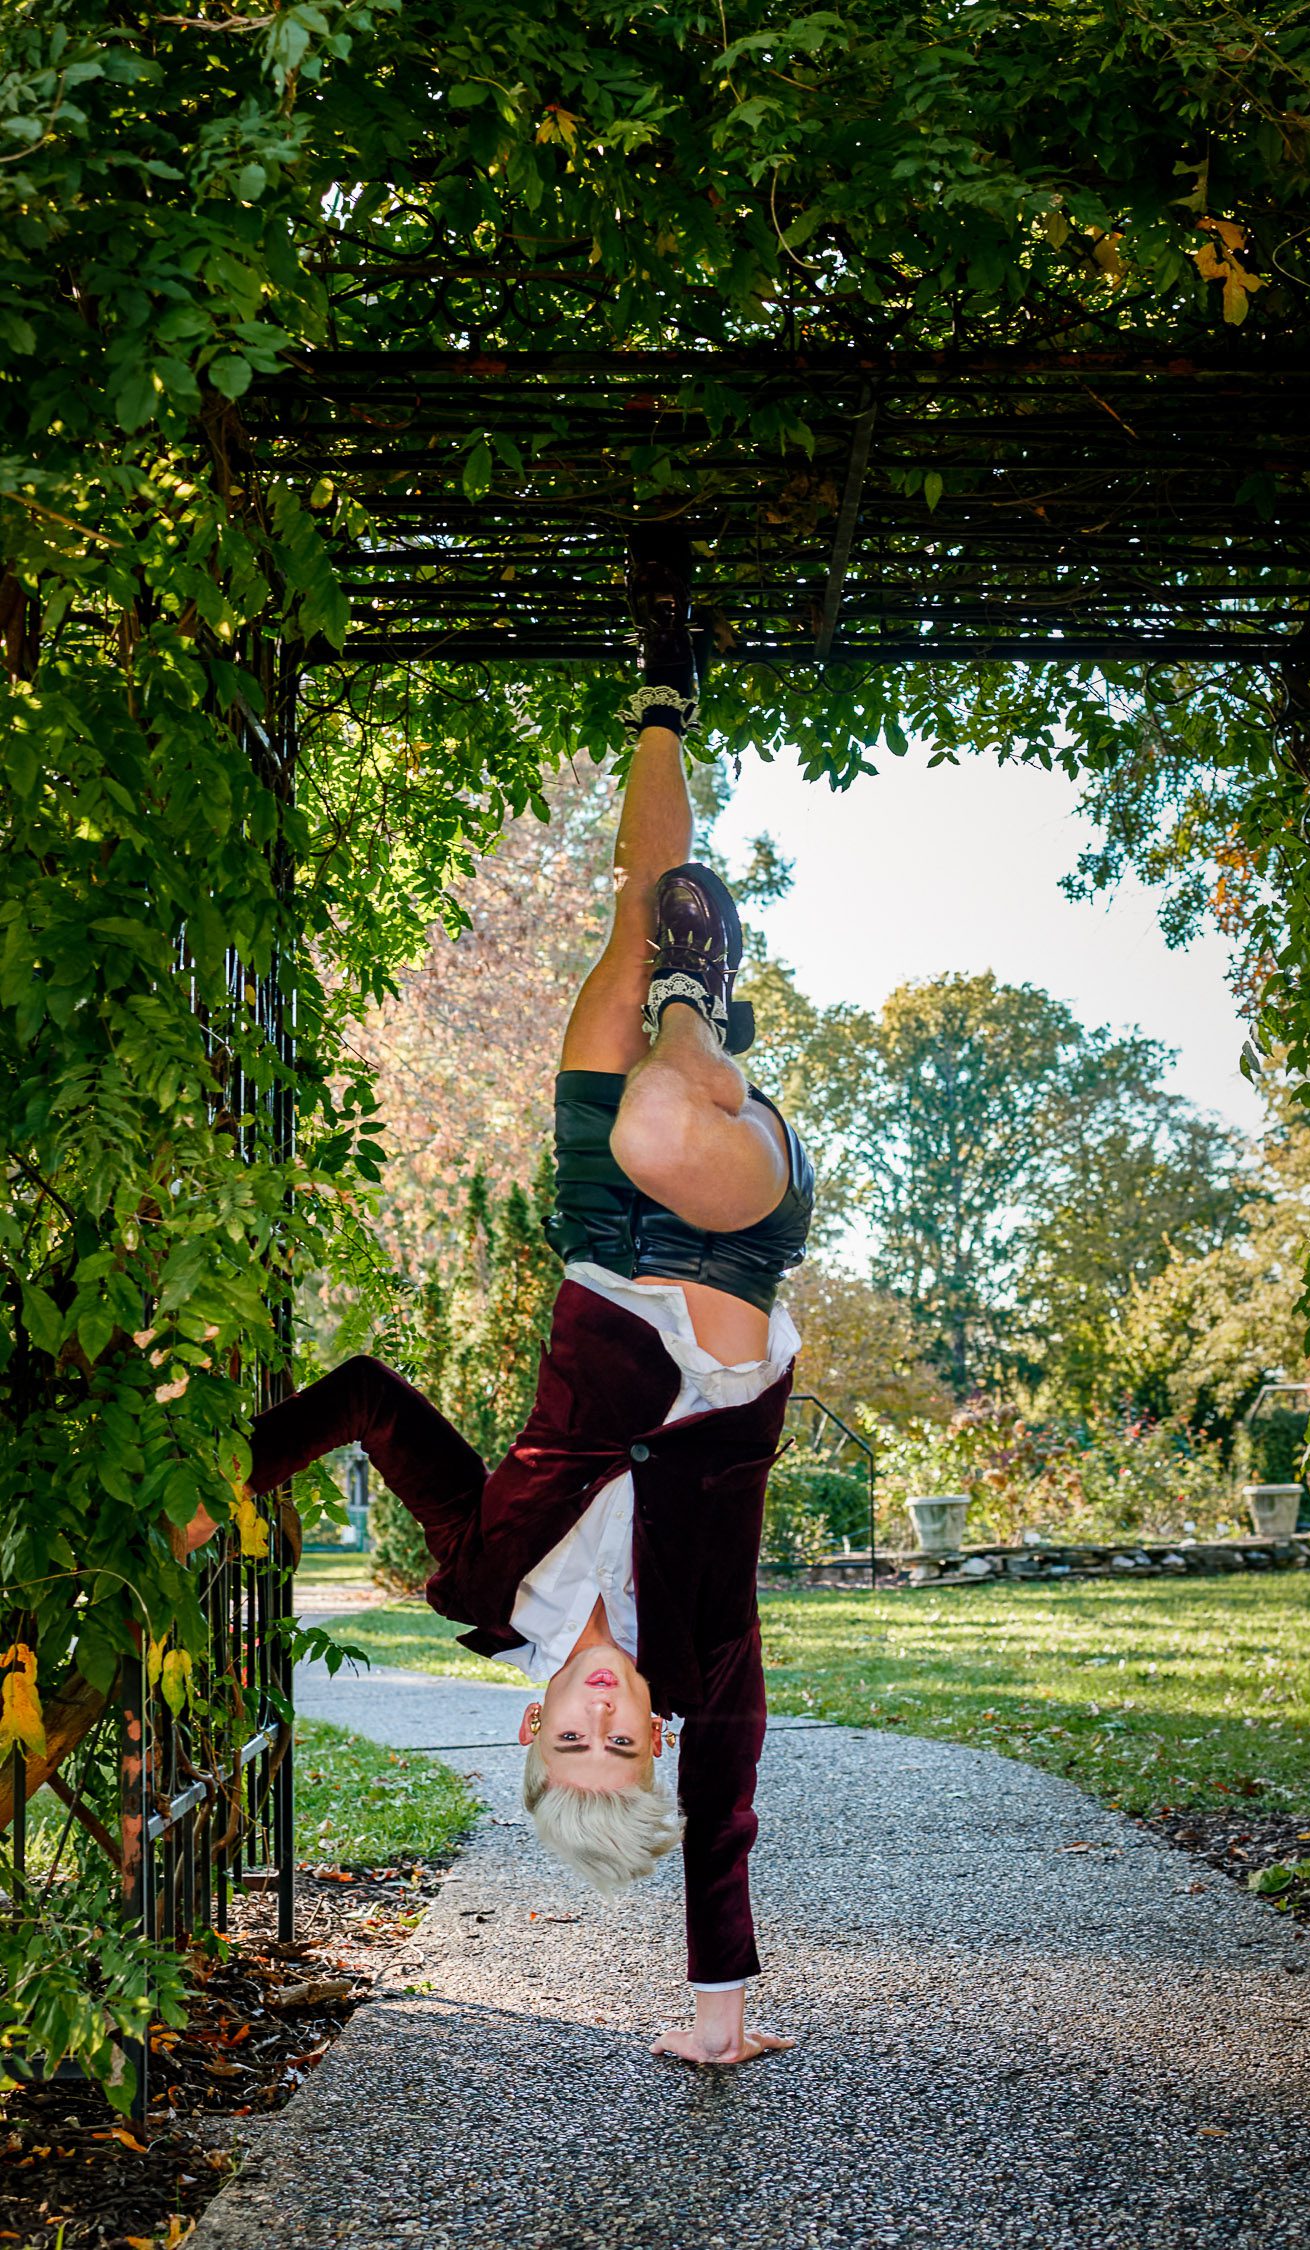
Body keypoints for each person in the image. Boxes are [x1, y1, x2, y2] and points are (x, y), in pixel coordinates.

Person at [239, 530, 816, 2066]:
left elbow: (366, 1393)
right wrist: (717, 2014)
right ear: (658, 1739)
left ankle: (663, 686)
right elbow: (727, 1814)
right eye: (627, 1742)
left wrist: (226, 1480)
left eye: (578, 1736)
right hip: (731, 1268)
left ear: (532, 1727)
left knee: (638, 908)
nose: (607, 1711)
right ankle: (701, 1020)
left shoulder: (482, 1586)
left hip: (591, 1229)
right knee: (659, 1105)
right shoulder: (710, 1667)